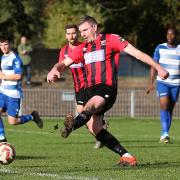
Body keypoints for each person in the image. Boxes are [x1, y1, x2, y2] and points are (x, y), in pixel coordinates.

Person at [47, 16, 169, 167]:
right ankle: (127, 156)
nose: (83, 34)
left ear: (94, 27)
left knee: (90, 106)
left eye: (85, 30)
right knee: (94, 127)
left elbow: (137, 53)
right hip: (89, 90)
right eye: (81, 31)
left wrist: (158, 67)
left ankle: (72, 125)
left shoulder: (111, 40)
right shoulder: (82, 48)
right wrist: (54, 69)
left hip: (107, 88)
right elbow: (63, 63)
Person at [59, 24, 108, 149]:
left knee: (83, 112)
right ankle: (101, 131)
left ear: (78, 34)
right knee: (84, 114)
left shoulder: (85, 47)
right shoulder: (64, 51)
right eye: (69, 33)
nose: (71, 36)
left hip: (89, 85)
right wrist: (56, 72)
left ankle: (99, 133)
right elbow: (61, 65)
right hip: (77, 87)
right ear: (66, 36)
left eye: (74, 33)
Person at [0, 36, 43, 143]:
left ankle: (32, 116)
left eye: (5, 44)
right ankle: (2, 138)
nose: (3, 47)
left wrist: (4, 77)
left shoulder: (15, 58)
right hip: (3, 92)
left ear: (9, 44)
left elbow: (18, 76)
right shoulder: (2, 58)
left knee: (13, 122)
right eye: (1, 45)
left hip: (13, 94)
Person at [147, 27, 180, 144]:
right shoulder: (160, 47)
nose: (170, 36)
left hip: (176, 84)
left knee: (170, 108)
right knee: (164, 104)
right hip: (163, 82)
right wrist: (151, 83)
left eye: (172, 34)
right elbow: (153, 65)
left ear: (176, 36)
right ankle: (165, 133)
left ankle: (164, 133)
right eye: (168, 34)